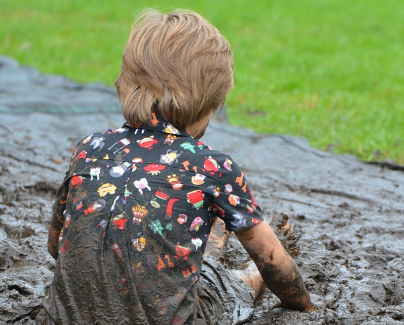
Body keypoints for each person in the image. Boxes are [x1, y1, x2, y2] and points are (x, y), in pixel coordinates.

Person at [40, 9, 315, 325]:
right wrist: (306, 306)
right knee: (227, 289)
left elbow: (56, 246)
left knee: (165, 260)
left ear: (125, 84)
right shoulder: (214, 168)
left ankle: (212, 241)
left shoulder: (89, 149)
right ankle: (236, 256)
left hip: (64, 318)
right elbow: (273, 264)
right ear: (210, 105)